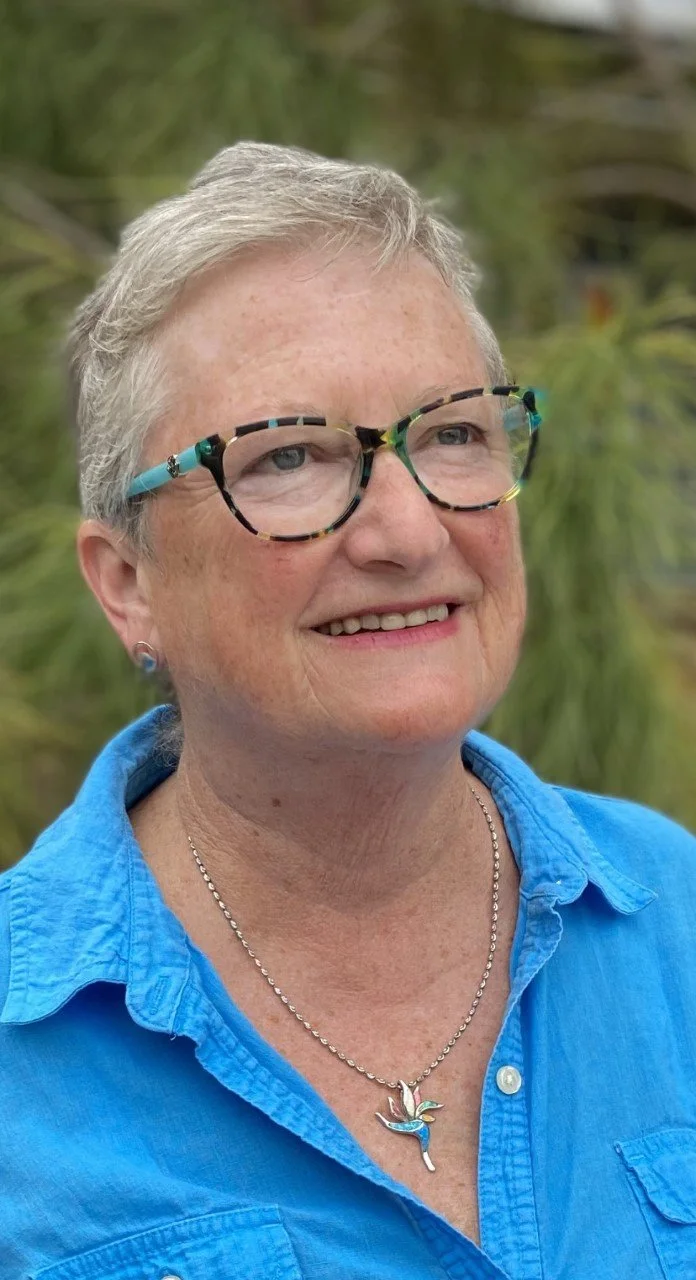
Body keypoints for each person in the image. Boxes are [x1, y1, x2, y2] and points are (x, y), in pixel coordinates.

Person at [2, 143, 695, 1280]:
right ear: (127, 582)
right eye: (289, 458)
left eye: (457, 434)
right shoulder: (22, 1061)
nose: (408, 532)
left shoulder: (674, 920)